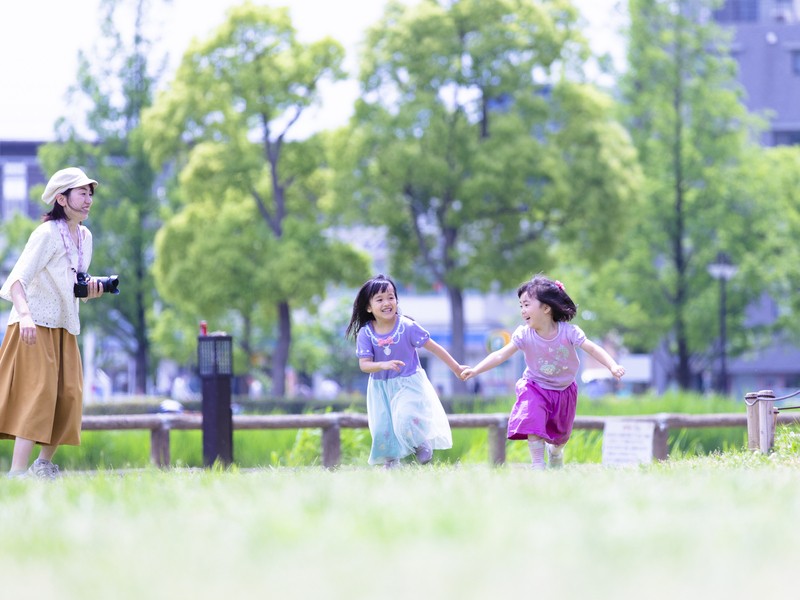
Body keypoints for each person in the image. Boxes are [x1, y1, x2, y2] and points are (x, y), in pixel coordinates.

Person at [0, 167, 105, 479]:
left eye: (90, 193)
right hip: (34, 325)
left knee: (69, 395)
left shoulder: (85, 237)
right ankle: (17, 472)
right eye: (81, 193)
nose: (88, 200)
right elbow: (16, 280)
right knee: (39, 394)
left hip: (65, 324)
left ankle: (42, 465)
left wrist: (90, 291)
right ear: (61, 198)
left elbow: (71, 282)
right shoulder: (45, 234)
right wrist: (27, 317)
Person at [461, 275, 625, 470]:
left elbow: (593, 349)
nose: (522, 311)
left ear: (546, 308)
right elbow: (499, 355)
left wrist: (612, 366)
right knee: (532, 418)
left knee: (560, 437)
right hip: (535, 385)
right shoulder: (524, 334)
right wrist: (476, 370)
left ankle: (555, 453)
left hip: (563, 390)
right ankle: (537, 464)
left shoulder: (568, 332)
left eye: (527, 305)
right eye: (520, 305)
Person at [346, 274, 464, 468]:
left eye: (391, 297)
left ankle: (419, 443)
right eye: (380, 299)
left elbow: (434, 348)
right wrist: (382, 365)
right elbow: (364, 365)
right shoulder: (366, 333)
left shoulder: (407, 327)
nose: (387, 303)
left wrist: (457, 368)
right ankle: (391, 465)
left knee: (405, 417)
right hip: (380, 388)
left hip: (408, 383)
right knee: (382, 429)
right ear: (369, 307)